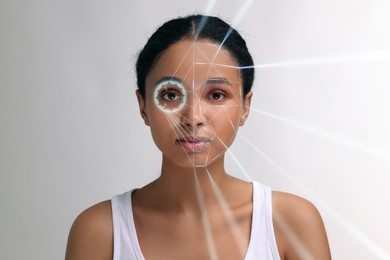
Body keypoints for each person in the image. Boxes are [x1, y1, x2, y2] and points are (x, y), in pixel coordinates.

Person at [65, 15, 331, 260]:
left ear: (245, 107)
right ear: (143, 106)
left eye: (216, 95)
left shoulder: (290, 223)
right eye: (170, 95)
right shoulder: (100, 233)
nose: (193, 117)